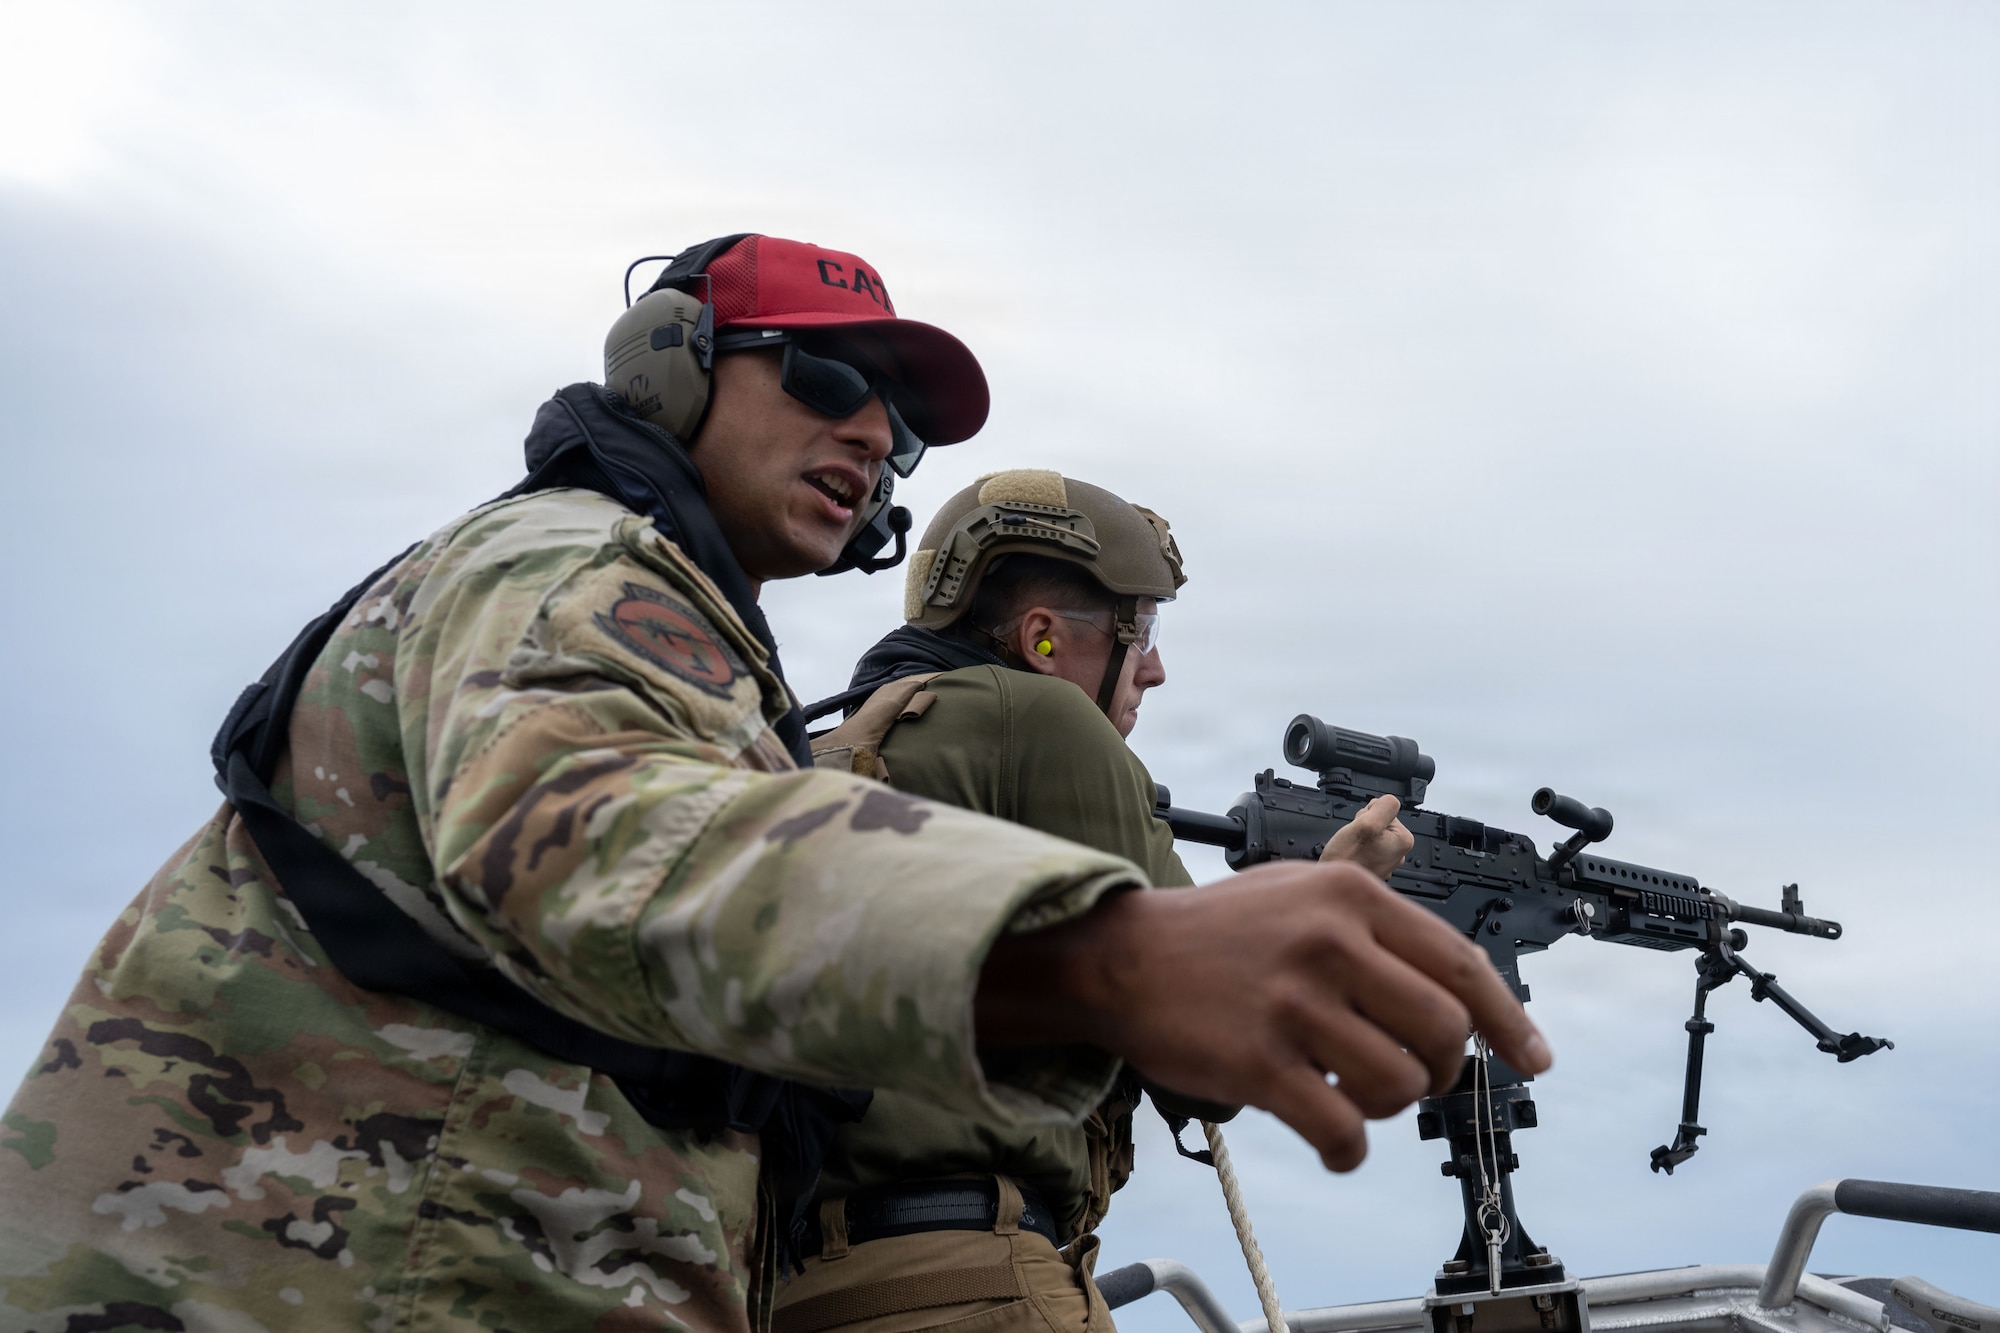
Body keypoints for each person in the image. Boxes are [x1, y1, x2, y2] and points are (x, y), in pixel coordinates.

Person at [0, 235, 1547, 1333]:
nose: (870, 434)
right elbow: (593, 832)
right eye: (821, 373)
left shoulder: (715, 659)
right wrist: (1109, 946)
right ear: (673, 373)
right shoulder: (572, 562)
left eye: (900, 427)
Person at [783, 472, 1414, 1333]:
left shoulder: (834, 751)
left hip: (801, 1293)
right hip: (975, 1287)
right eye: (1138, 629)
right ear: (1041, 639)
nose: (1154, 667)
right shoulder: (1046, 719)